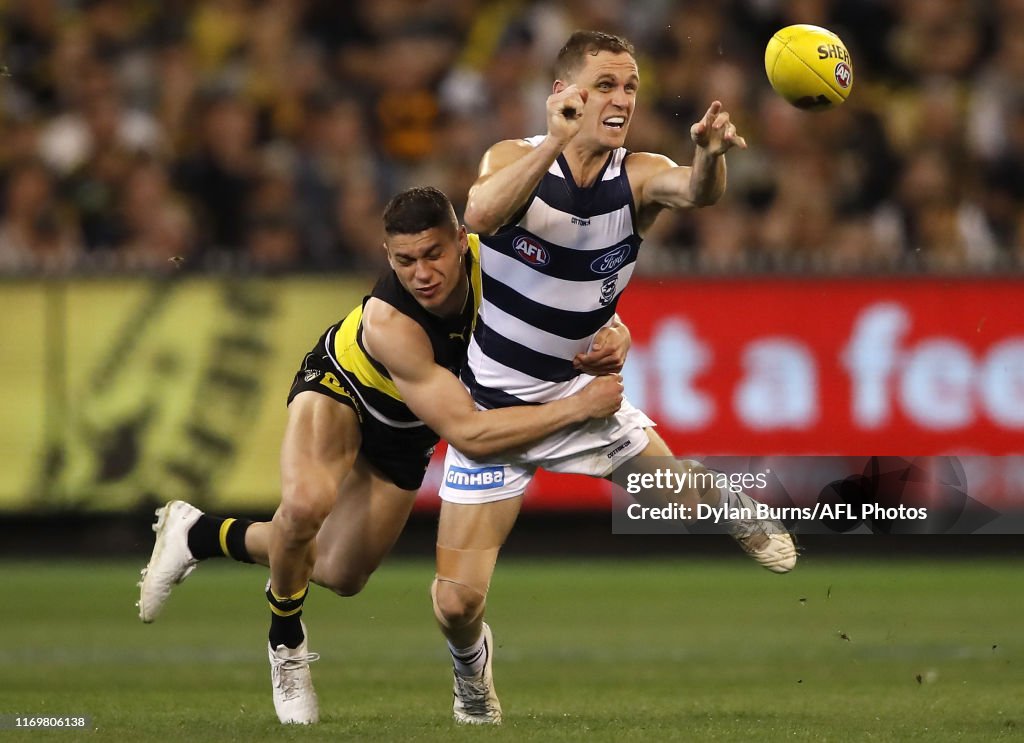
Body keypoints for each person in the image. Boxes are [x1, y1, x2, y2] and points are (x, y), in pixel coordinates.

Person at [136, 186, 630, 725]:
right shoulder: (389, 321)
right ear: (388, 258)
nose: (421, 273)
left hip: (407, 430)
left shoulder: (503, 269)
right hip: (343, 387)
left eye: (433, 254)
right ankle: (286, 645)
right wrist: (581, 406)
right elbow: (468, 432)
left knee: (340, 573)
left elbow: (581, 305)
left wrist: (616, 334)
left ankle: (199, 533)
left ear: (462, 242)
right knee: (303, 509)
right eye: (404, 260)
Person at [429, 30, 798, 725]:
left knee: (683, 501)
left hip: (583, 396)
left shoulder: (639, 175)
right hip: (496, 412)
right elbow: (477, 215)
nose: (621, 98)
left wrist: (708, 156)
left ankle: (723, 497)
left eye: (629, 86)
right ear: (563, 95)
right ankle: (472, 675)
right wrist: (551, 141)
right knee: (455, 603)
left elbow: (695, 193)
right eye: (603, 85)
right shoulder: (513, 158)